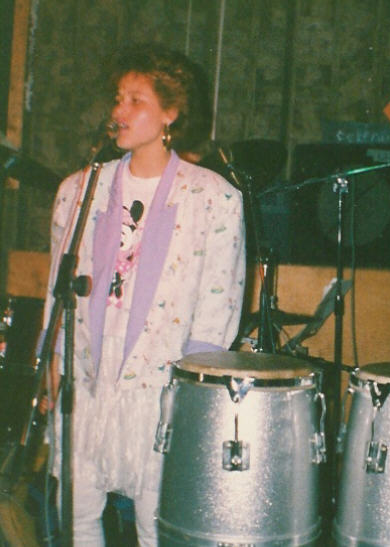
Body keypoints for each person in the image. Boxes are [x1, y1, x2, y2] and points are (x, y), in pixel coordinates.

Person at [40, 44, 246, 545]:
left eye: (137, 100)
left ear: (170, 112)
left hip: (161, 385)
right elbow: (56, 288)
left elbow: (219, 305)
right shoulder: (78, 190)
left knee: (158, 523)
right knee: (77, 512)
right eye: (118, 98)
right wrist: (52, 357)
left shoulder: (213, 197)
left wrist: (193, 394)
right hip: (87, 378)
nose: (120, 110)